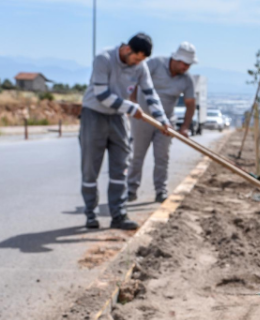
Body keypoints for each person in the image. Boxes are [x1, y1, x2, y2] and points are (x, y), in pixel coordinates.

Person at [79, 33, 171, 230]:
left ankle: (118, 215)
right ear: (127, 49)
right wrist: (131, 107)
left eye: (141, 61)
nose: (137, 64)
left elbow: (150, 93)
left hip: (119, 118)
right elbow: (101, 94)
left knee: (120, 168)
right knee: (90, 168)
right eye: (136, 59)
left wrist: (162, 120)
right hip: (94, 115)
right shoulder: (104, 59)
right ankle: (90, 214)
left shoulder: (140, 66)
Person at [128, 42, 198, 203]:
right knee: (138, 154)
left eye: (189, 65)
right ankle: (131, 188)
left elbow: (190, 104)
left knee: (162, 157)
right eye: (184, 64)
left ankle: (161, 190)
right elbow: (135, 82)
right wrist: (133, 103)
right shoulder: (155, 64)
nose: (186, 67)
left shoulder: (187, 79)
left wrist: (185, 127)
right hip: (143, 118)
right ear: (176, 59)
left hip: (166, 122)